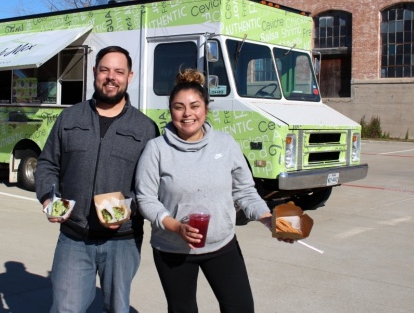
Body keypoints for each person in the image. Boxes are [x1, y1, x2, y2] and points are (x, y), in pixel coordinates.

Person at [135, 68, 292, 313]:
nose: (187, 114)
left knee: (240, 307)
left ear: (206, 109)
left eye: (195, 106)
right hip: (172, 249)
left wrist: (268, 219)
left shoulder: (225, 143)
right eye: (179, 107)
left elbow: (244, 191)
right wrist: (176, 226)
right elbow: (145, 198)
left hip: (222, 245)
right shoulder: (156, 149)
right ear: (170, 111)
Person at [35, 45, 160, 313]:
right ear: (94, 72)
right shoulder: (69, 118)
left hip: (123, 241)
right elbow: (47, 164)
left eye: (119, 71)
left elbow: (153, 186)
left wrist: (128, 209)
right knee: (64, 308)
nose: (111, 77)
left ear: (130, 76)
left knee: (117, 309)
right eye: (104, 70)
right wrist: (48, 198)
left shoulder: (145, 128)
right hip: (74, 237)